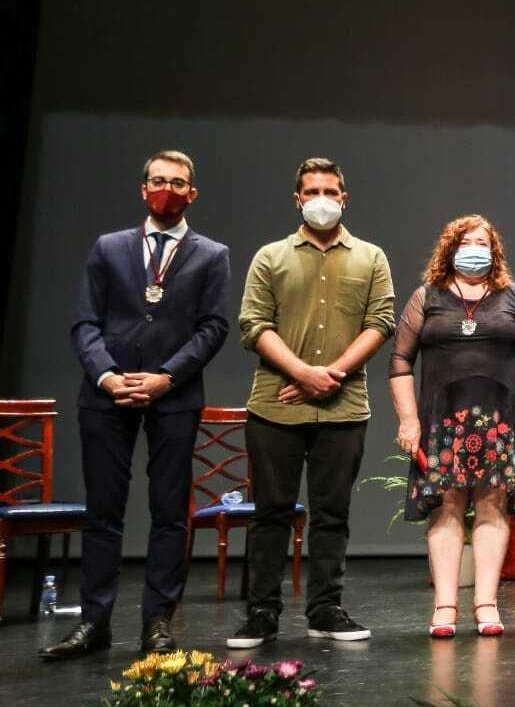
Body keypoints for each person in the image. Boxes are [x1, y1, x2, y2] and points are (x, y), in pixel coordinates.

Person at [43, 151, 231, 660]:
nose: (165, 189)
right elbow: (85, 322)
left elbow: (213, 327)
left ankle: (158, 624)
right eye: (157, 181)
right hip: (106, 396)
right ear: (142, 188)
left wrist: (166, 377)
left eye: (177, 183)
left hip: (173, 396)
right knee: (103, 513)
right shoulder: (108, 248)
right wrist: (107, 376)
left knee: (169, 513)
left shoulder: (212, 254)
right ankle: (93, 623)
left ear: (192, 193)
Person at [228, 157, 395, 648]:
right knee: (270, 512)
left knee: (331, 513)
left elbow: (381, 322)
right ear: (297, 199)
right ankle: (261, 612)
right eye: (312, 190)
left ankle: (325, 609)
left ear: (344, 198)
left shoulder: (371, 257)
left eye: (330, 190)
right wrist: (303, 374)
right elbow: (253, 325)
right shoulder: (270, 257)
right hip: (274, 406)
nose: (322, 198)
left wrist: (331, 376)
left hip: (343, 409)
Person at [390, 215, 515, 637]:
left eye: (482, 242)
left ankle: (486, 604)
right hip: (440, 420)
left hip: (500, 419)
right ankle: (444, 606)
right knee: (445, 506)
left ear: (494, 251)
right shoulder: (427, 297)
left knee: (494, 505)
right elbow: (400, 361)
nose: (474, 248)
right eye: (465, 241)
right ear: (450, 249)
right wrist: (408, 421)